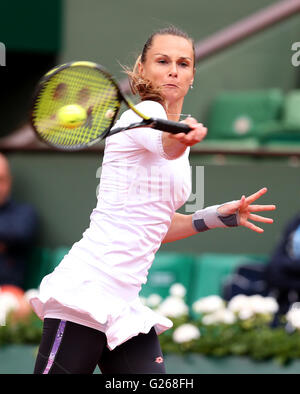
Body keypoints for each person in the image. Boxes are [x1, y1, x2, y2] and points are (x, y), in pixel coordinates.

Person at [30, 26, 276, 374]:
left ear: (192, 76)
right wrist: (184, 139)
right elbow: (166, 143)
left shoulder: (168, 131)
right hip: (87, 289)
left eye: (183, 63)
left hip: (125, 303)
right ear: (143, 69)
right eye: (162, 61)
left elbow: (155, 225)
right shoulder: (138, 116)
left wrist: (218, 216)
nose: (173, 69)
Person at [0, 153, 38, 289]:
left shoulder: (24, 213)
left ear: (9, 181)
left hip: (9, 293)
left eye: (1, 179)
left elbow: (20, 233)